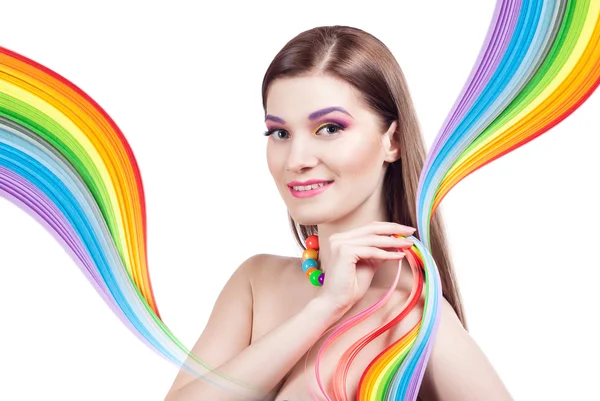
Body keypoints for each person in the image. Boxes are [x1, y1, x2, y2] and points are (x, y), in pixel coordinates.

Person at [163, 25, 513, 401]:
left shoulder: (419, 320)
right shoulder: (254, 283)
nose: (296, 160)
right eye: (279, 133)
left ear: (391, 140)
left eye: (329, 128)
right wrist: (326, 307)